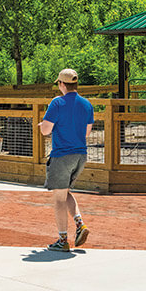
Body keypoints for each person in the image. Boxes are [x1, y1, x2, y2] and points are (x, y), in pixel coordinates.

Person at [38, 68, 94, 252]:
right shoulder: (87, 105)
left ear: (61, 84)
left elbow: (46, 130)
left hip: (62, 155)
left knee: (59, 199)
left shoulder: (57, 103)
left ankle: (63, 240)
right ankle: (80, 224)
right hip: (81, 155)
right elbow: (86, 132)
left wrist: (42, 126)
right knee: (66, 192)